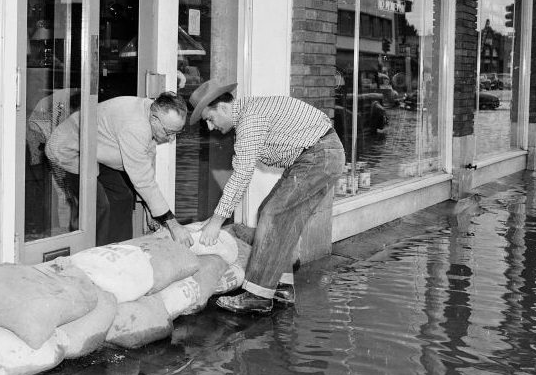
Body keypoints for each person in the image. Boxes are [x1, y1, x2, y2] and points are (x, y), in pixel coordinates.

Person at [190, 80, 345, 314]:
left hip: (318, 156)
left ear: (222, 108)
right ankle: (281, 286)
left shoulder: (249, 120)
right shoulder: (250, 114)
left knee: (272, 215)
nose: (211, 127)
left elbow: (241, 174)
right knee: (277, 216)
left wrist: (215, 222)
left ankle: (257, 296)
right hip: (317, 156)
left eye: (210, 119)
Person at [46, 91, 194, 247]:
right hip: (68, 151)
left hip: (95, 152)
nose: (171, 139)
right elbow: (143, 180)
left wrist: (151, 209)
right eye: (169, 132)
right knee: (97, 205)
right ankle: (93, 257)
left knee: (122, 196)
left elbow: (145, 166)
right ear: (154, 118)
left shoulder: (150, 111)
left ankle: (121, 250)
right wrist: (173, 225)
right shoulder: (135, 125)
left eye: (177, 133)